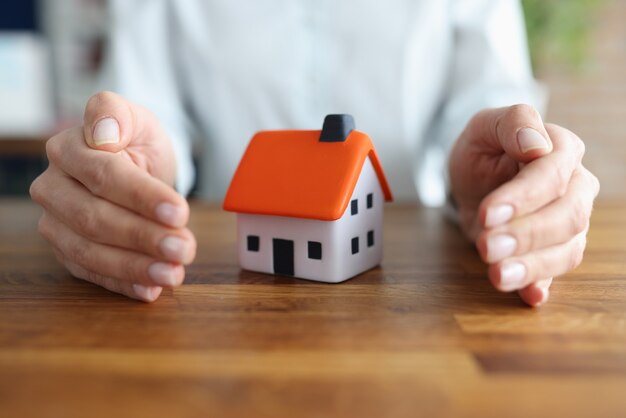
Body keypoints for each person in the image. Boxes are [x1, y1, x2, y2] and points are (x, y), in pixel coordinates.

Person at [29, 0, 599, 306]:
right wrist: (130, 170)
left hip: (418, 288)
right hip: (218, 283)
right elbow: (143, 107)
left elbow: (491, 95)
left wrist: (507, 171)